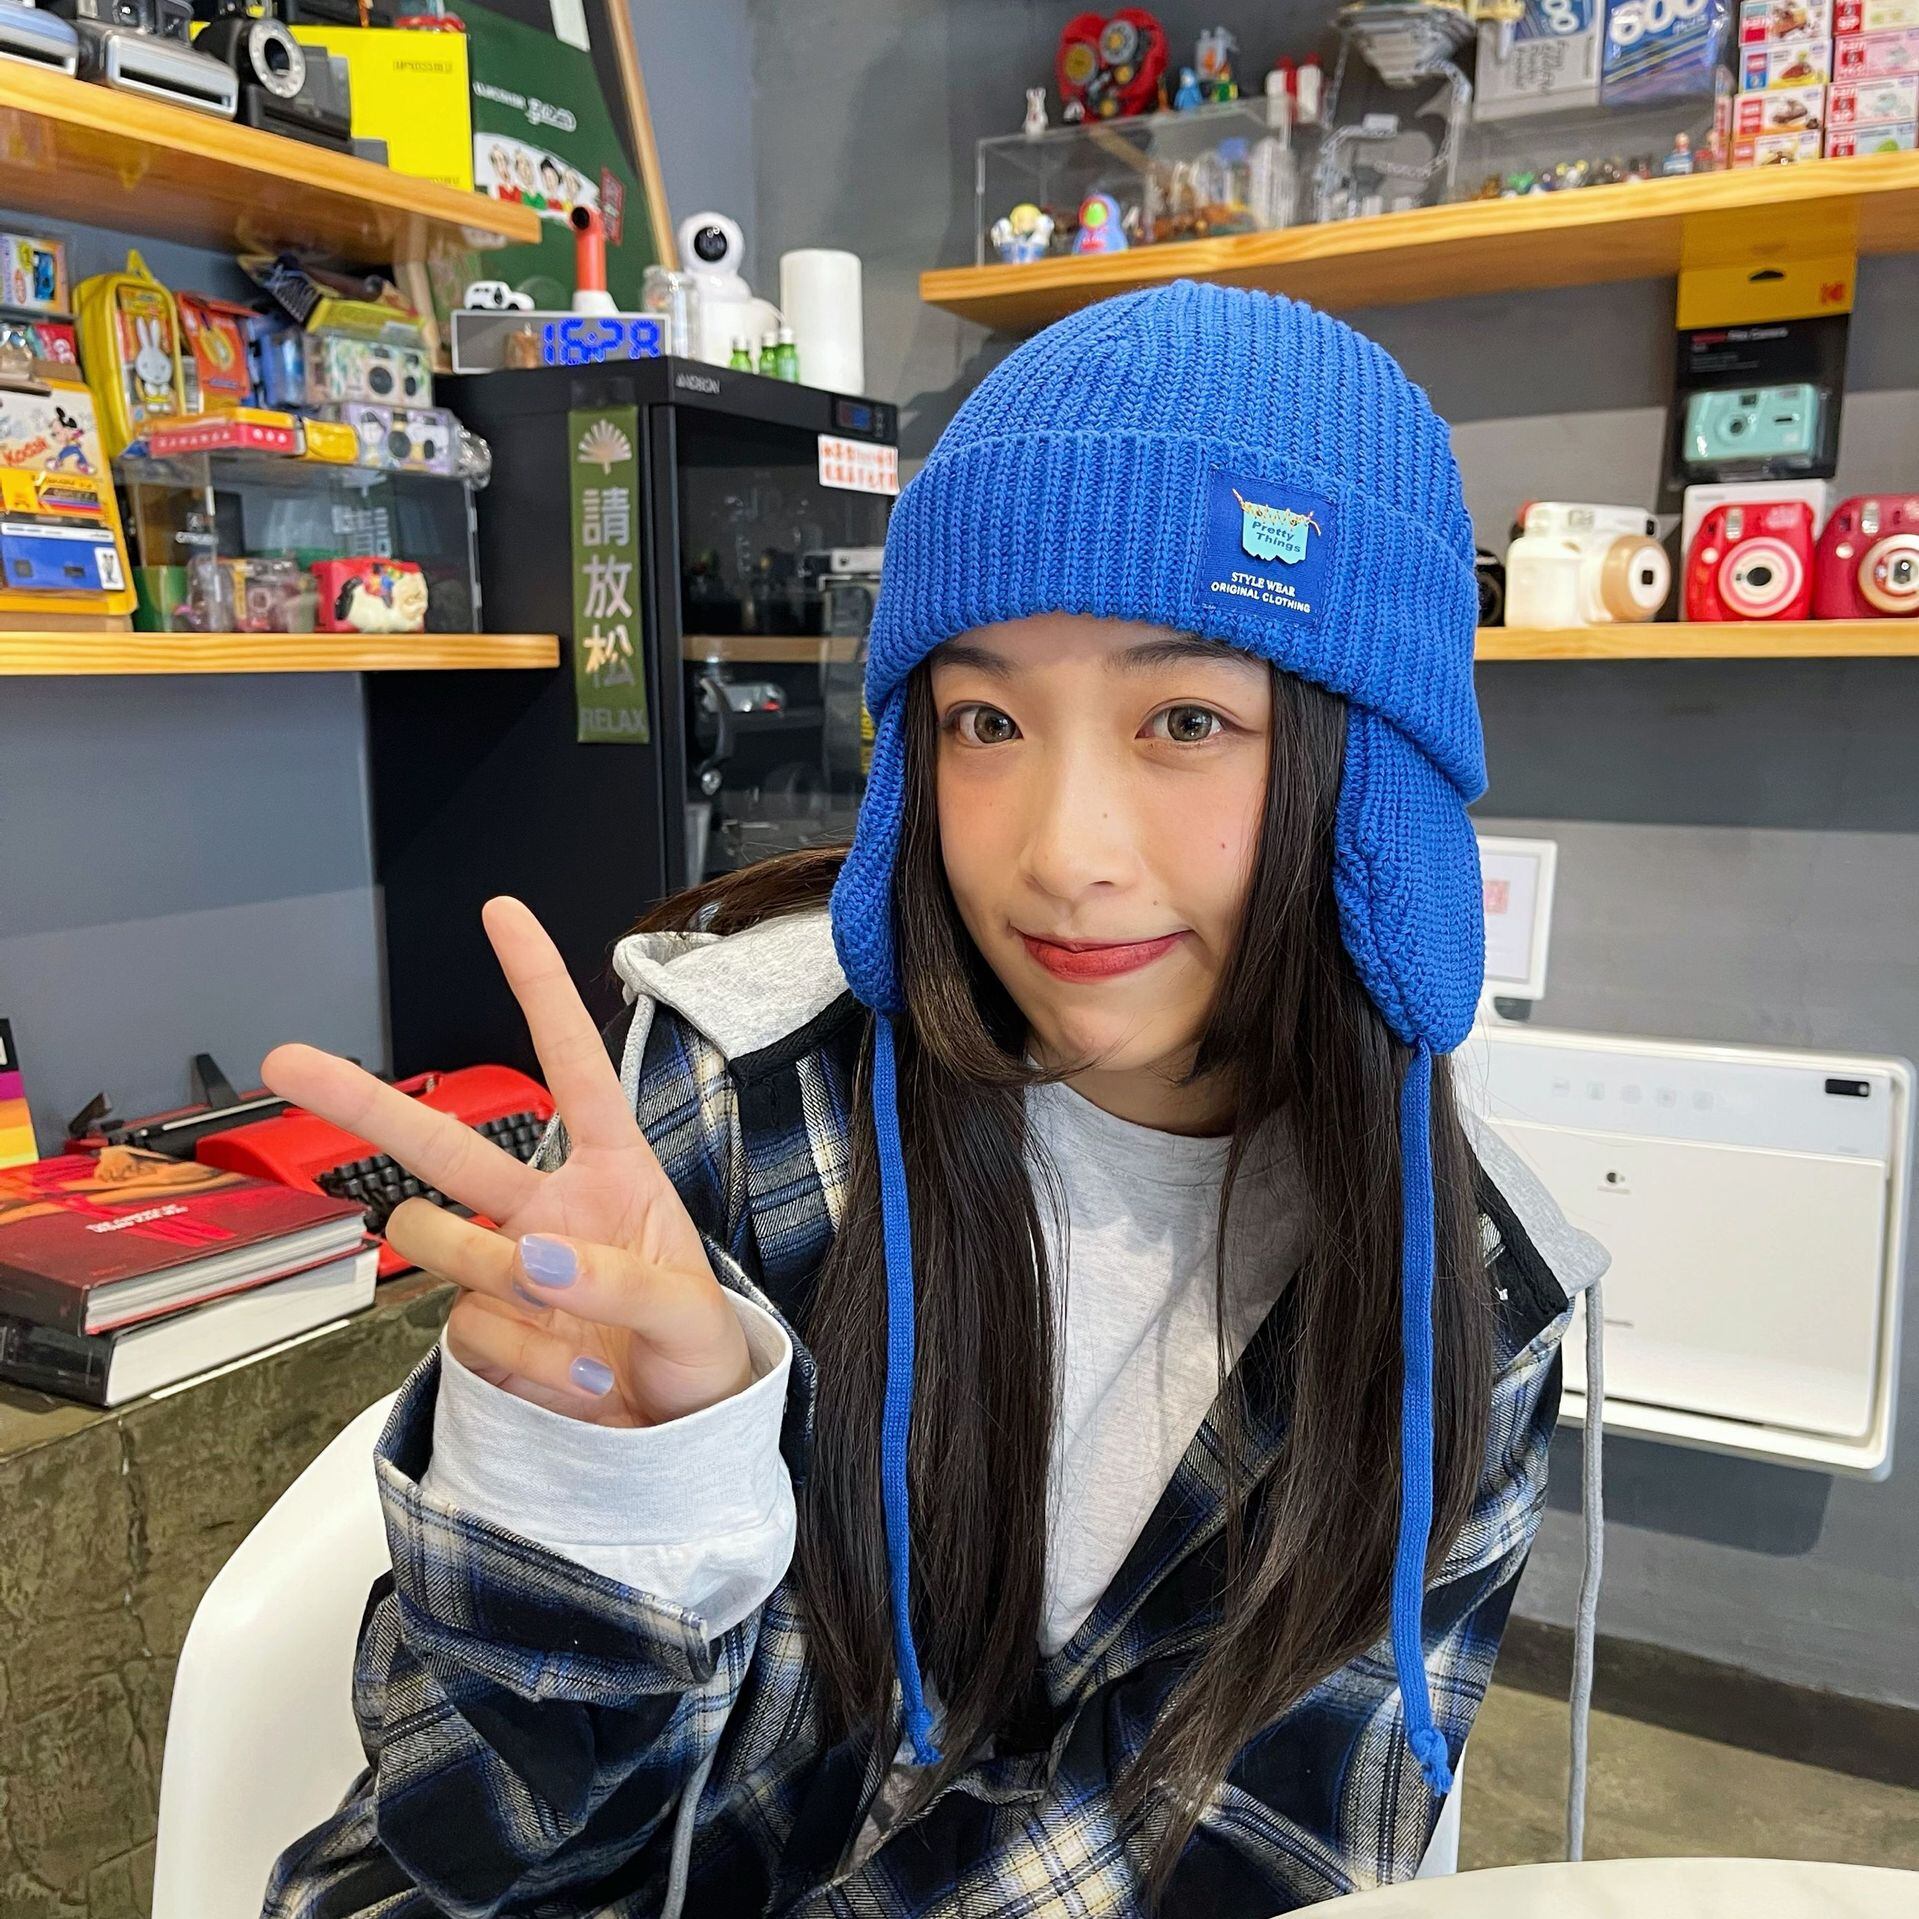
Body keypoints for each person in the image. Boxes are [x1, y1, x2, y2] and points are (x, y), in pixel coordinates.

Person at [261, 283, 1605, 1917]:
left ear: (1372, 778)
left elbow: (1247, 1857)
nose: (1061, 854)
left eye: (1187, 719)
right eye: (986, 721)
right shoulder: (744, 1094)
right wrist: (606, 1514)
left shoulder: (1465, 1288)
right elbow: (471, 1833)